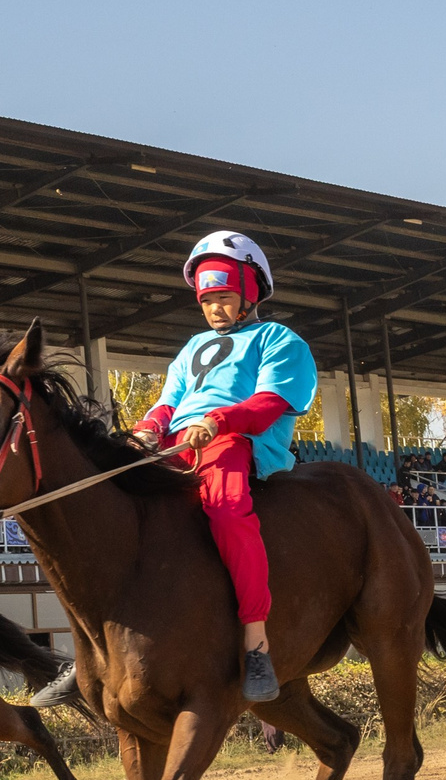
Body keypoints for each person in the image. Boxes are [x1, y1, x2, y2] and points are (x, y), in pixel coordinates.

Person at [126, 231, 318, 703]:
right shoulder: (192, 346)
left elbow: (272, 401)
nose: (214, 309)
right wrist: (148, 428)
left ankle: (256, 644)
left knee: (229, 511)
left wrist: (218, 421)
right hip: (177, 442)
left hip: (236, 441)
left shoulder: (278, 338)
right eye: (207, 300)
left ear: (249, 293)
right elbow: (169, 400)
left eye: (224, 297)